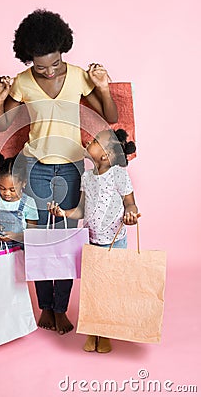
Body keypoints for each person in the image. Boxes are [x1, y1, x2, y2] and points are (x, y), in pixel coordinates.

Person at [0, 9, 118, 335]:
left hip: (72, 168)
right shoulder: (21, 82)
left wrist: (103, 87)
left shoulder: (78, 76)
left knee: (66, 241)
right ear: (28, 59)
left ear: (64, 52)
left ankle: (60, 308)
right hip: (33, 167)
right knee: (37, 240)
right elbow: (3, 127)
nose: (48, 72)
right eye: (39, 66)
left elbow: (109, 116)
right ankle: (44, 306)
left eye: (55, 64)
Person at [48, 128, 140, 352]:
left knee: (109, 289)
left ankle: (105, 332)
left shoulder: (119, 174)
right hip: (92, 242)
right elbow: (81, 210)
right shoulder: (86, 177)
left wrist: (131, 214)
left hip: (114, 242)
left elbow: (130, 203)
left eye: (97, 140)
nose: (89, 140)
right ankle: (92, 330)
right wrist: (63, 213)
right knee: (92, 289)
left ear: (106, 154)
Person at [0, 154, 39, 251]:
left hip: (20, 250)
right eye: (2, 188)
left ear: (23, 183)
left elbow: (32, 233)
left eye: (12, 189)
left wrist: (16, 236)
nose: (7, 193)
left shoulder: (29, 203)